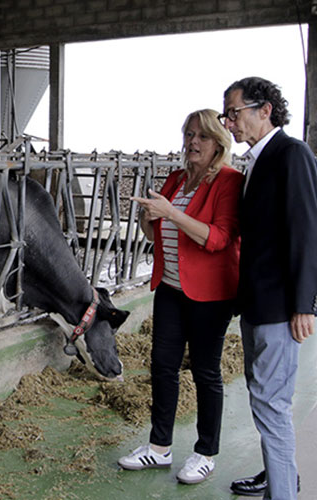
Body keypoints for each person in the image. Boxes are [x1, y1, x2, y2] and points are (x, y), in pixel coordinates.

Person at [119, 109, 243, 484]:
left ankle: (205, 453)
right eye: (189, 135)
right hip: (171, 288)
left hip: (210, 294)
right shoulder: (177, 178)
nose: (192, 143)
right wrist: (149, 217)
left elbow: (218, 239)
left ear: (219, 143)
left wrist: (170, 212)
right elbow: (156, 235)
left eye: (202, 137)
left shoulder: (229, 182)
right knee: (162, 366)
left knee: (206, 372)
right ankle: (159, 448)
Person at [221, 77, 317, 499]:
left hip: (281, 306)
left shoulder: (291, 154)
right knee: (263, 396)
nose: (229, 122)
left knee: (272, 405)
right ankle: (274, 476)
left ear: (264, 110)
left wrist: (305, 304)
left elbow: (308, 234)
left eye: (235, 112)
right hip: (258, 302)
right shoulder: (257, 160)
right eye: (226, 114)